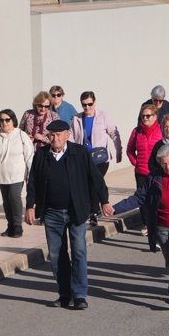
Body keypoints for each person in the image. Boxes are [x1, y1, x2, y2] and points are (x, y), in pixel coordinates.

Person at [25, 120, 113, 310]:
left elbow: (96, 178)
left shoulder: (79, 153)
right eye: (51, 135)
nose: (54, 138)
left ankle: (80, 295)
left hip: (76, 211)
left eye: (58, 135)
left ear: (67, 135)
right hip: (52, 212)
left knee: (79, 251)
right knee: (56, 254)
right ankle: (64, 294)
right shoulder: (41, 154)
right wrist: (30, 206)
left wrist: (104, 200)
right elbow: (33, 182)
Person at [111, 144, 169, 309]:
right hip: (162, 227)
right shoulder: (154, 177)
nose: (168, 167)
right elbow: (139, 198)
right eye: (164, 164)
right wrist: (115, 209)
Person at [0, 109, 35, 238]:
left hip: (17, 174)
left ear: (13, 120)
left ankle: (18, 226)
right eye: (1, 120)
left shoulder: (21, 135)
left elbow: (29, 157)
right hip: (2, 175)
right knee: (6, 201)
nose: (4, 122)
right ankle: (10, 226)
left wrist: (31, 175)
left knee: (14, 196)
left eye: (7, 120)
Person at [70, 91, 122, 178]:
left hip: (100, 158)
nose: (87, 107)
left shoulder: (103, 116)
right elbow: (70, 136)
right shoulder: (76, 118)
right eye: (84, 105)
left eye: (90, 104)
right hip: (83, 158)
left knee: (96, 182)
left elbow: (114, 133)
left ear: (94, 102)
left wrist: (119, 151)